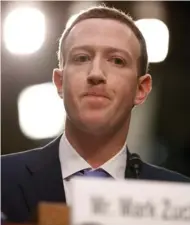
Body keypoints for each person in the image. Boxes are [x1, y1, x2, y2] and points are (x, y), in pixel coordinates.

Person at [1, 5, 190, 223]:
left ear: (141, 89)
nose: (96, 74)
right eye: (82, 58)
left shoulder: (181, 197)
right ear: (60, 82)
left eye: (117, 60)